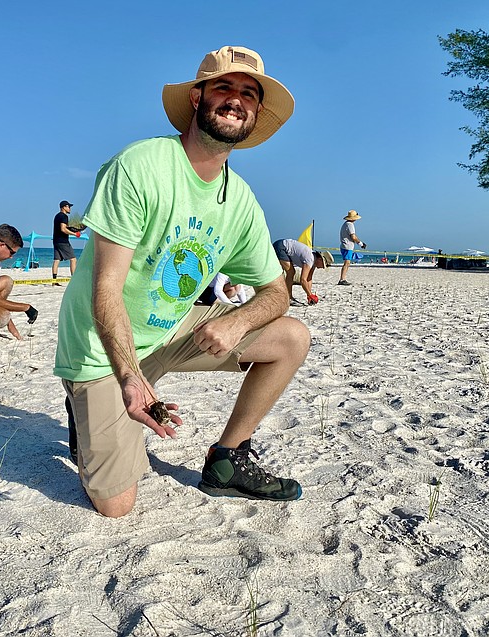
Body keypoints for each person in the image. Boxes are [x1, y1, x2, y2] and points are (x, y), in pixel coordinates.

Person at [53, 45, 308, 517]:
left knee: (291, 338)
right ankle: (85, 407)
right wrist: (130, 376)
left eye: (249, 94)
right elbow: (105, 288)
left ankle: (228, 460)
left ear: (256, 113)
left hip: (170, 332)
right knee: (117, 506)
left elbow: (277, 293)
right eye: (224, 87)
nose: (236, 100)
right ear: (196, 98)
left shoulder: (240, 200)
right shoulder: (140, 166)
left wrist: (237, 322)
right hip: (102, 346)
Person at [272, 238, 330, 305]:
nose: (322, 268)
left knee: (288, 272)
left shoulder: (314, 262)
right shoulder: (310, 259)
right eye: (323, 265)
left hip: (283, 247)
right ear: (320, 259)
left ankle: (286, 296)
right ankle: (288, 298)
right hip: (281, 247)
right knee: (291, 272)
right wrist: (310, 295)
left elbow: (309, 279)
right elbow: (303, 280)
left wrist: (309, 296)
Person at [52, 200, 83, 286]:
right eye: (68, 207)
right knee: (73, 259)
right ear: (64, 207)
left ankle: (54, 280)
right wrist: (75, 234)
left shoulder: (57, 216)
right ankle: (74, 280)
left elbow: (62, 228)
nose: (70, 208)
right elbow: (63, 229)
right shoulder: (64, 216)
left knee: (56, 260)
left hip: (56, 241)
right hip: (63, 241)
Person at [338, 209, 367, 286]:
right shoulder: (350, 225)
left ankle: (343, 278)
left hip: (345, 245)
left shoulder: (345, 224)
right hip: (347, 246)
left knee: (347, 263)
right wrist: (360, 243)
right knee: (346, 263)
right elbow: (353, 237)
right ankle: (342, 279)